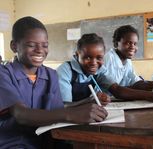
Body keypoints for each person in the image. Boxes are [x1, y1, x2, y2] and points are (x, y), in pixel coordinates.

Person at [0, 16, 107, 149]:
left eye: (45, 45)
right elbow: (21, 114)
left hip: (48, 141)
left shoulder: (50, 74)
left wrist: (86, 105)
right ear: (14, 46)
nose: (40, 50)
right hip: (13, 143)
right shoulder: (4, 74)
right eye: (31, 45)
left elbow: (57, 109)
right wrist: (71, 114)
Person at [57, 33, 153, 106]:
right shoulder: (65, 71)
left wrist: (149, 95)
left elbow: (117, 90)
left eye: (99, 58)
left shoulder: (100, 70)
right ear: (77, 55)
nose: (93, 63)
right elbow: (64, 106)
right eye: (87, 57)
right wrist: (90, 102)